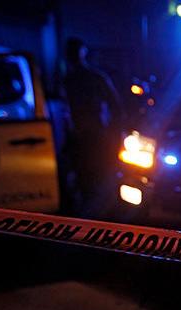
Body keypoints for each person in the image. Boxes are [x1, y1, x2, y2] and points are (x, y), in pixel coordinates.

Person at [63, 37, 123, 216]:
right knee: (87, 179)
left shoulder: (91, 78)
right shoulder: (70, 80)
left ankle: (96, 219)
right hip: (82, 137)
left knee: (95, 179)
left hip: (94, 137)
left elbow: (116, 107)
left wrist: (113, 134)